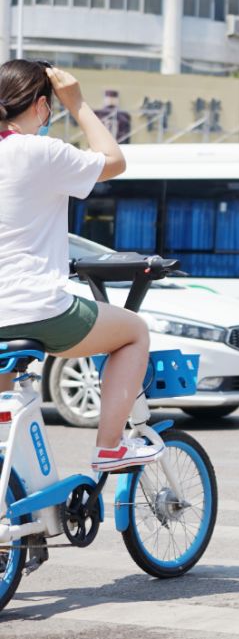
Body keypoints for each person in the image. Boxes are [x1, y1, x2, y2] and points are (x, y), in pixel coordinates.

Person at [0, 60, 161, 473]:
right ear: (41, 106)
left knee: (4, 433)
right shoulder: (37, 151)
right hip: (34, 309)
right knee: (133, 332)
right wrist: (77, 103)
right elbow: (113, 160)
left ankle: (18, 499)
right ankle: (110, 448)